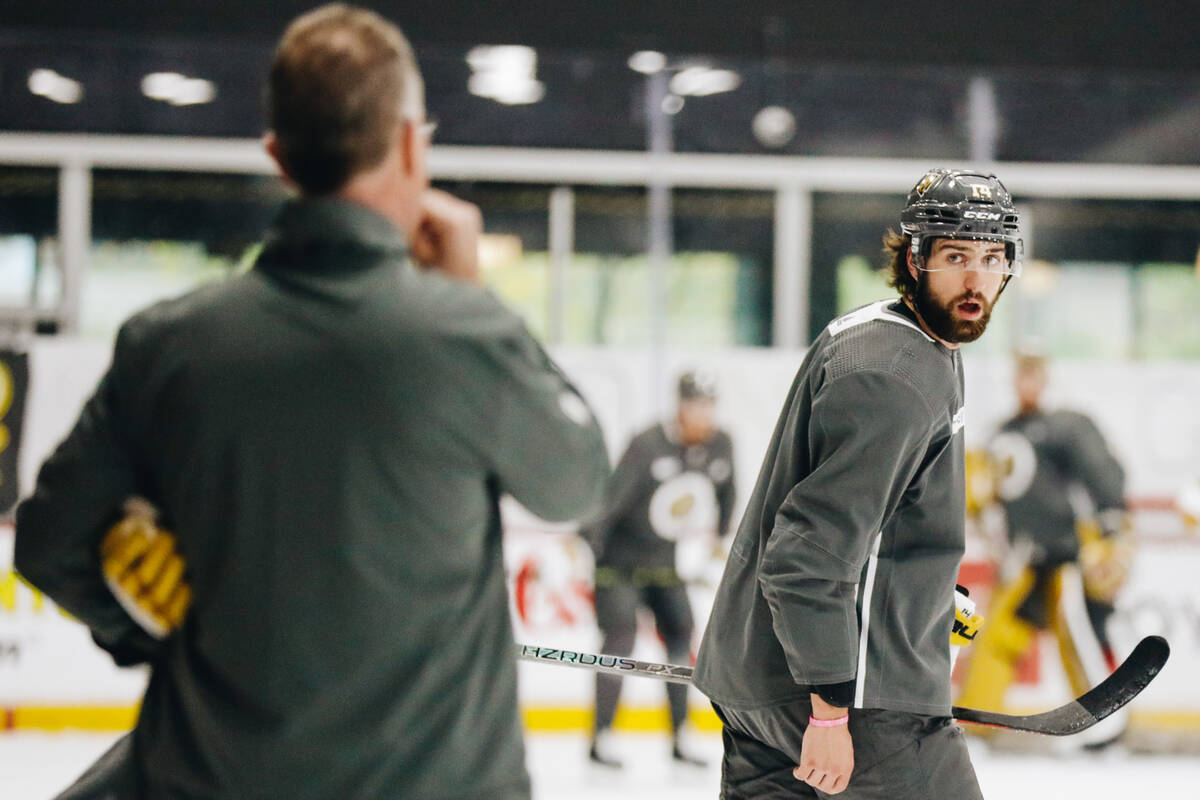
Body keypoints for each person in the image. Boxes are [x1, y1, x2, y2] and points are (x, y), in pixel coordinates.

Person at [13, 5, 609, 799]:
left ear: (278, 158)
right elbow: (575, 483)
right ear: (407, 144)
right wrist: (476, 299)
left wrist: (156, 633)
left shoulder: (168, 346)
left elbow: (49, 542)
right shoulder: (466, 336)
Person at [693, 168, 1022, 798]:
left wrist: (919, 594)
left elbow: (869, 522)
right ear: (916, 258)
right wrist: (829, 712)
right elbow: (805, 553)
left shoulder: (888, 337)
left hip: (759, 679)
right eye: (956, 256)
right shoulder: (895, 378)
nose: (977, 279)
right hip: (856, 699)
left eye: (992, 257)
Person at [957, 350, 1132, 748]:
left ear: (1046, 379)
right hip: (1023, 561)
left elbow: (1102, 473)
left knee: (1079, 638)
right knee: (995, 640)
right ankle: (976, 728)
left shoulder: (1064, 427)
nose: (1028, 383)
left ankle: (1104, 728)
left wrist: (1111, 526)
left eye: (1035, 375)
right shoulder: (1001, 434)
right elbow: (981, 495)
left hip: (1065, 555)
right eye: (1023, 375)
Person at [581, 369, 736, 769]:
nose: (701, 414)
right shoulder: (648, 444)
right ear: (679, 406)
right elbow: (611, 500)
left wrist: (718, 539)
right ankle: (601, 735)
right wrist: (586, 544)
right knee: (620, 638)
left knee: (682, 634)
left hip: (665, 564)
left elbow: (727, 491)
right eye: (694, 405)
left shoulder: (721, 445)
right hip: (620, 562)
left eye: (707, 406)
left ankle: (680, 735)